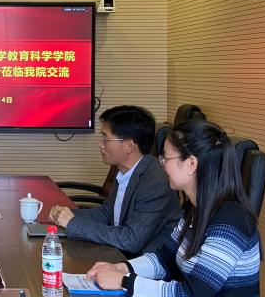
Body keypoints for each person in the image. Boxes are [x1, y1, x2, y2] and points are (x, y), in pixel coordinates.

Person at [87, 120, 265, 297]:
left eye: (166, 158)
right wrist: (122, 268)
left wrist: (125, 283)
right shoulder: (195, 210)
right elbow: (164, 260)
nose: (161, 164)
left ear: (191, 164)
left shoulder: (230, 221)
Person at [48, 105, 180, 255]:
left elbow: (131, 240)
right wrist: (65, 214)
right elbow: (107, 214)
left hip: (142, 263)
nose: (100, 144)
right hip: (118, 255)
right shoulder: (125, 171)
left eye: (105, 138)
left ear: (129, 145)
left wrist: (73, 224)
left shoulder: (155, 182)